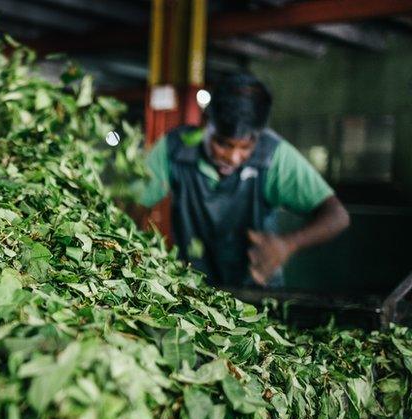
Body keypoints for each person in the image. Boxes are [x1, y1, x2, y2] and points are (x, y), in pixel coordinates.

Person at [135, 73, 350, 287]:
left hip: (257, 291)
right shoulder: (174, 148)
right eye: (223, 144)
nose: (233, 157)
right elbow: (132, 203)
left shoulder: (274, 156)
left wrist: (287, 244)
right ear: (205, 122)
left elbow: (337, 216)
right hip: (192, 289)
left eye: (246, 147)